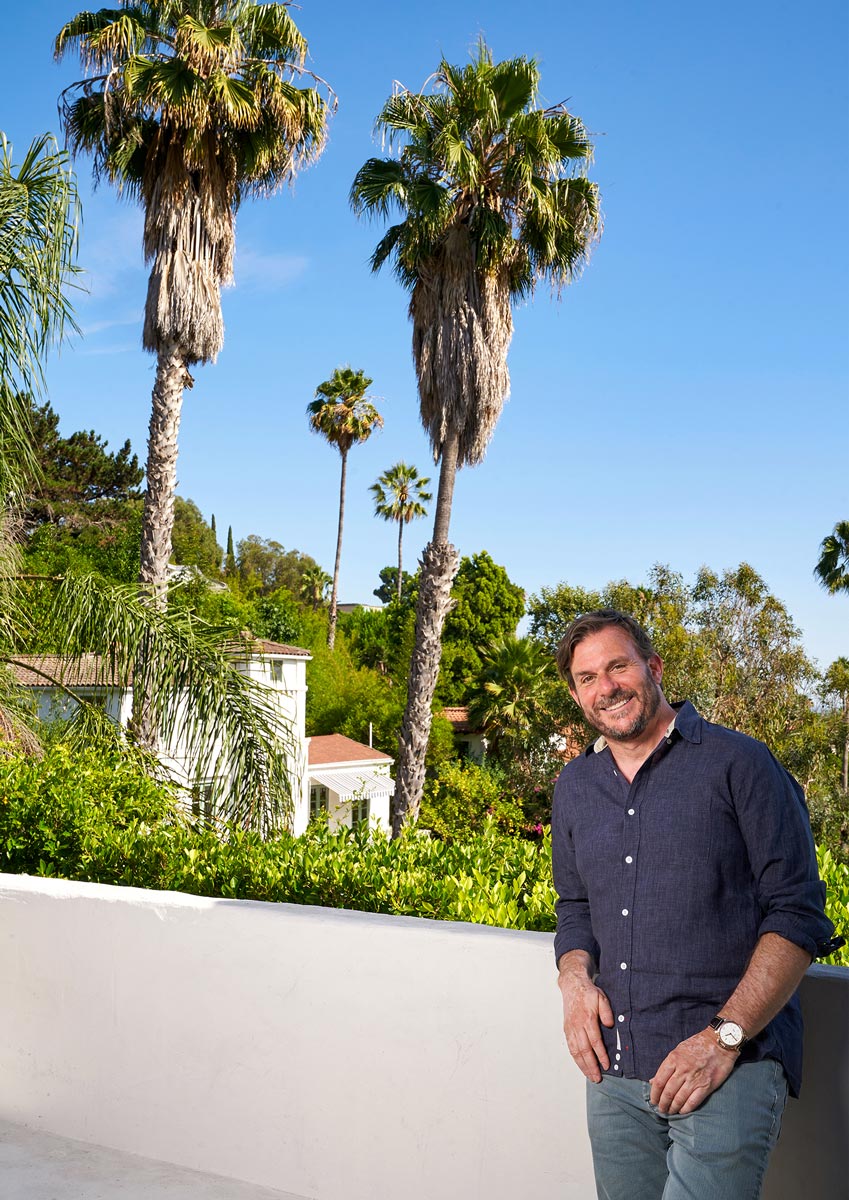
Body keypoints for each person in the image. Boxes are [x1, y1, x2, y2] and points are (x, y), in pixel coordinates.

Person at [551, 609, 840, 1200]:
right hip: (615, 1072)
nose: (604, 688)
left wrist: (721, 1040)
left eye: (617, 666)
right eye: (586, 678)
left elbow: (798, 913)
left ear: (652, 668)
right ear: (577, 694)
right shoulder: (576, 787)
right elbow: (574, 906)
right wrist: (575, 981)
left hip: (725, 1068)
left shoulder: (741, 764)